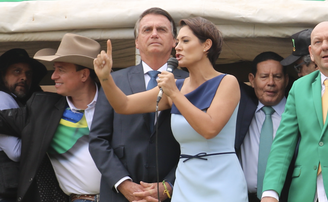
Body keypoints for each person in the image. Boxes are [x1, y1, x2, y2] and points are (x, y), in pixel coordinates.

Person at [94, 16, 248, 202]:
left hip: (221, 179)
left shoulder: (226, 82)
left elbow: (210, 129)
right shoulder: (177, 86)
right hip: (186, 182)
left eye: (185, 41)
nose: (177, 47)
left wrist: (175, 94)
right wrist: (105, 78)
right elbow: (123, 105)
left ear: (206, 45)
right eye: (177, 42)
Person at [89, 7, 188, 202]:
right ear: (136, 42)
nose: (154, 34)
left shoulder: (189, 82)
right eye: (147, 30)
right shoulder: (113, 80)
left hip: (176, 194)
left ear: (174, 41)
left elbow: (198, 144)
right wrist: (123, 183)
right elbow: (98, 139)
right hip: (120, 195)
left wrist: (169, 184)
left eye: (161, 29)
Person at [0, 33, 101, 202]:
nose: (53, 76)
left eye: (60, 69)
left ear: (84, 75)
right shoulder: (43, 109)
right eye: (54, 69)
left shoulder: (115, 104)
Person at [261, 21, 328, 202]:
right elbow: (283, 143)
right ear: (311, 53)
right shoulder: (299, 88)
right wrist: (270, 192)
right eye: (318, 42)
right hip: (304, 192)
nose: (325, 46)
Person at [235, 52, 289, 202]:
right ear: (252, 80)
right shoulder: (240, 110)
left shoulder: (297, 114)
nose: (270, 82)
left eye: (277, 77)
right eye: (264, 76)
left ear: (286, 80)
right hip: (243, 197)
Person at [0, 48, 47, 202]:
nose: (24, 77)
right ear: (3, 75)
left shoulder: (18, 101)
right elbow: (16, 152)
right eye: (17, 71)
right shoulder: (2, 98)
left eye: (28, 73)